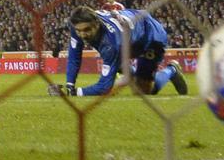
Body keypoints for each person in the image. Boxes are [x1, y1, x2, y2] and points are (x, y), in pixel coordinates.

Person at [49, 6, 187, 97]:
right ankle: (130, 74)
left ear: (97, 24)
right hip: (130, 33)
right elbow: (74, 54)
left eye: (87, 30)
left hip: (150, 37)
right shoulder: (76, 25)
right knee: (121, 68)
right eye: (79, 31)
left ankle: (172, 70)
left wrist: (74, 93)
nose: (83, 35)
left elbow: (104, 87)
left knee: (143, 91)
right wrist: (69, 84)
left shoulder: (111, 43)